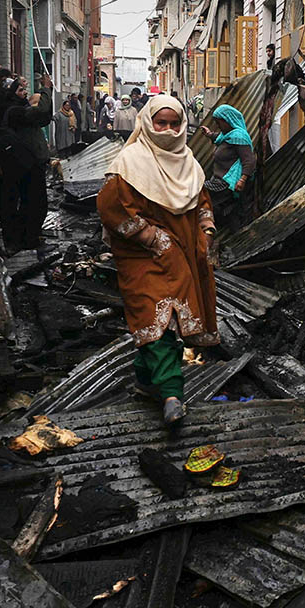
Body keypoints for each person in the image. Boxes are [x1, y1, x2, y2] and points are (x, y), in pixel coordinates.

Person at [97, 96, 217, 426]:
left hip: (184, 255)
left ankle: (147, 381)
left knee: (170, 321)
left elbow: (201, 199)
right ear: (148, 123)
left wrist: (206, 229)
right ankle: (172, 394)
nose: (167, 130)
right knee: (154, 316)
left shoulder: (188, 161)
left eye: (174, 123)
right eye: (160, 123)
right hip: (140, 256)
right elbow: (111, 207)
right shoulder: (130, 162)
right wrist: (150, 236)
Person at [0, 73, 53, 250]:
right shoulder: (14, 111)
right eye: (20, 90)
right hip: (25, 166)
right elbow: (41, 112)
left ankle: (28, 238)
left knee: (33, 203)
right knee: (34, 204)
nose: (24, 93)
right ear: (11, 93)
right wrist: (46, 89)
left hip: (30, 164)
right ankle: (27, 240)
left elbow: (44, 117)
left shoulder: (19, 109)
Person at [199, 104, 256, 231]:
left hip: (227, 183)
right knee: (227, 211)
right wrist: (209, 134)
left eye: (219, 123)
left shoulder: (239, 137)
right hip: (219, 179)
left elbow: (249, 160)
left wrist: (242, 180)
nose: (218, 126)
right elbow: (220, 138)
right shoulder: (228, 135)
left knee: (200, 192)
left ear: (228, 120)